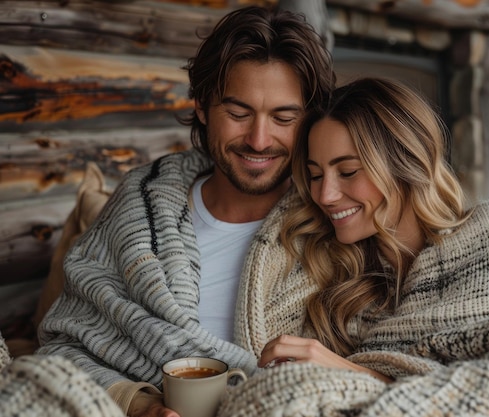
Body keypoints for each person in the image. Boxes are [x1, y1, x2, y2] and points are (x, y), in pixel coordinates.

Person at [214, 77, 489, 416]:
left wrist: (343, 371)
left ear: (406, 163)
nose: (325, 194)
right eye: (316, 174)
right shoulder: (347, 281)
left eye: (348, 171)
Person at [36, 5, 335, 417]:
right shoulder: (141, 205)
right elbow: (64, 345)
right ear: (201, 106)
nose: (259, 139)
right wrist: (138, 405)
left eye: (283, 117)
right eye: (237, 113)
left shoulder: (331, 221)